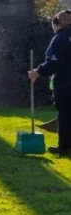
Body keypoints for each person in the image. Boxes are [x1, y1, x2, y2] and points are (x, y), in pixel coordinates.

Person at [29, 10, 71, 156]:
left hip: (66, 83)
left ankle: (65, 147)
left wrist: (38, 71)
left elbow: (54, 62)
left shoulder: (61, 38)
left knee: (65, 114)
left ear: (57, 24)